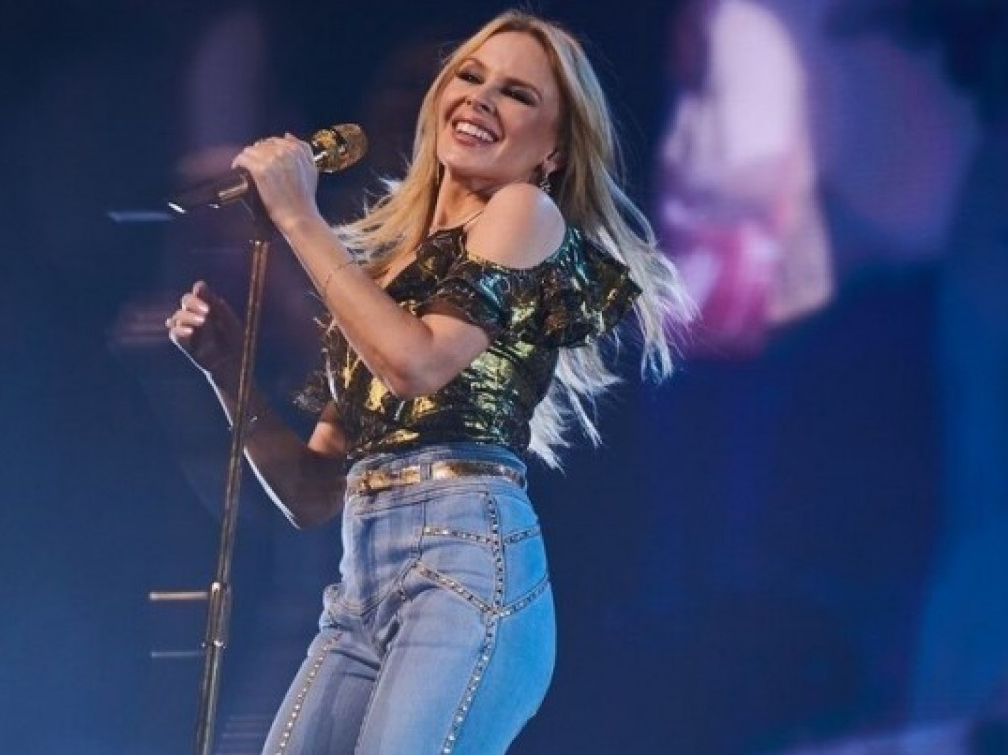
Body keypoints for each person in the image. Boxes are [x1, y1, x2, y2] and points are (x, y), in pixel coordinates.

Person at [165, 10, 692, 753]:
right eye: (470, 77)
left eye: (517, 94)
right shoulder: (383, 278)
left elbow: (417, 364)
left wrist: (297, 214)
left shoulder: (525, 211)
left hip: (464, 566)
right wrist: (229, 375)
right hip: (360, 587)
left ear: (552, 150)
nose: (481, 98)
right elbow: (311, 492)